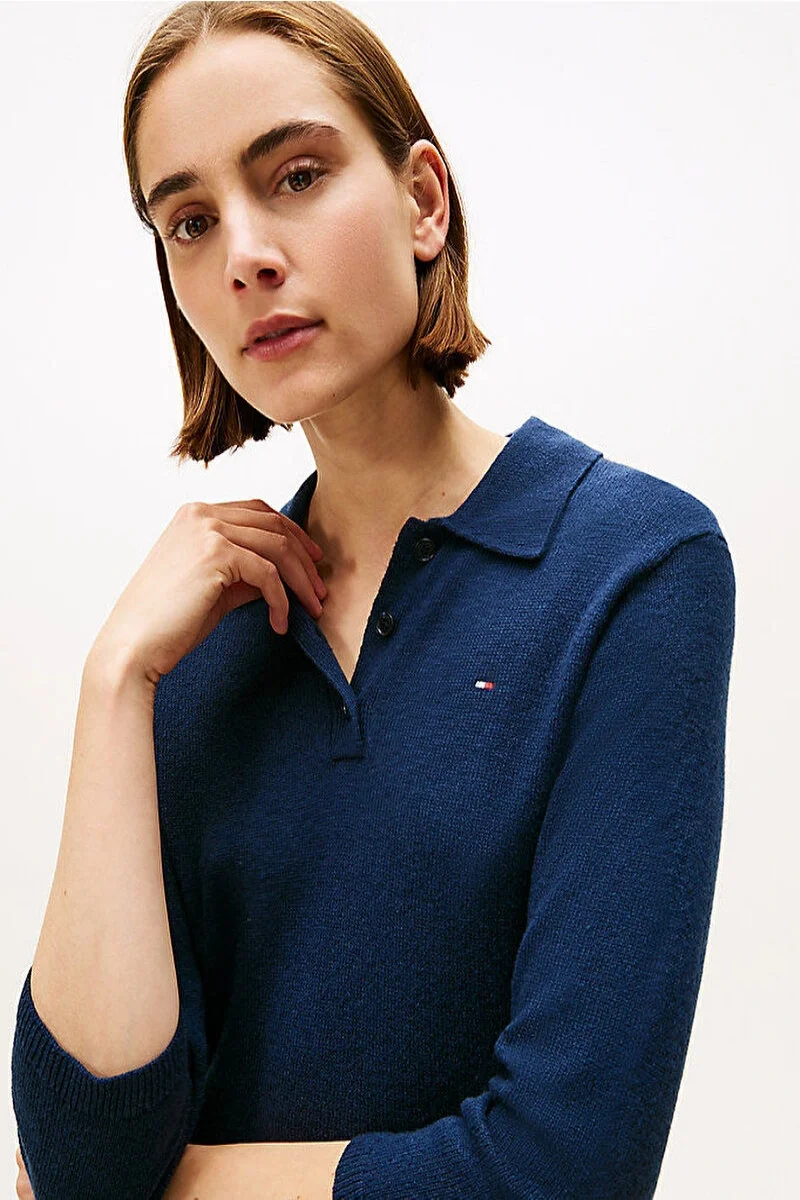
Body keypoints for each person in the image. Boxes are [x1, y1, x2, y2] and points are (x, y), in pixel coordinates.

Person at [11, 3, 736, 1198]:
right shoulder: (196, 643)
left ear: (422, 201)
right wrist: (114, 682)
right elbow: (83, 1157)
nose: (244, 254)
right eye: (189, 221)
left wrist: (171, 1190)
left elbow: (563, 1169)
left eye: (294, 176)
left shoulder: (629, 566)